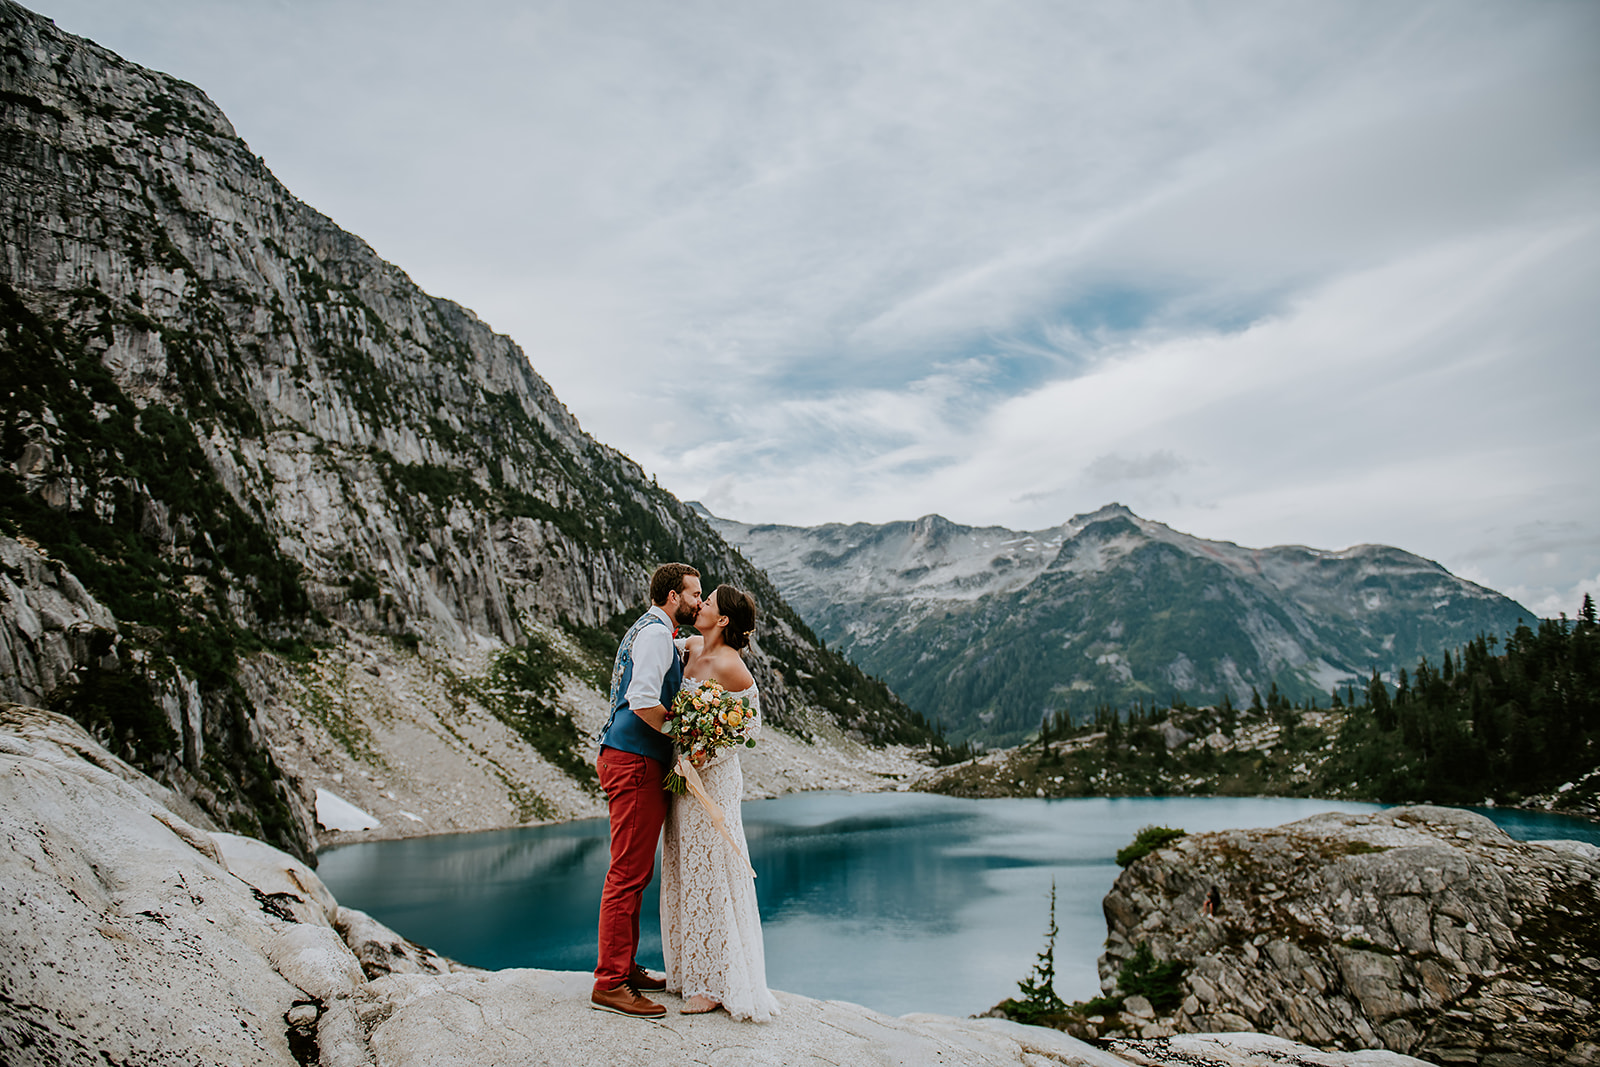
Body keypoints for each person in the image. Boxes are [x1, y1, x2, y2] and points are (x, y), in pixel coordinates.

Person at [660, 584, 781, 1021]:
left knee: (711, 868)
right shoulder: (691, 645)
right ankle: (687, 970)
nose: (700, 604)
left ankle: (713, 983)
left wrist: (702, 754)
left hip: (712, 778)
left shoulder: (732, 666)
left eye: (707, 601)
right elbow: (658, 645)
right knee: (683, 864)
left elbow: (748, 725)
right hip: (682, 776)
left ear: (724, 619)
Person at [591, 563, 702, 1018]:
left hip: (628, 758)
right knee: (627, 874)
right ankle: (610, 983)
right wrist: (679, 733)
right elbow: (641, 700)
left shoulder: (654, 629)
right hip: (634, 762)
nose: (700, 600)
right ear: (674, 597)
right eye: (695, 594)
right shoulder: (656, 634)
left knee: (634, 873)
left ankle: (624, 967)